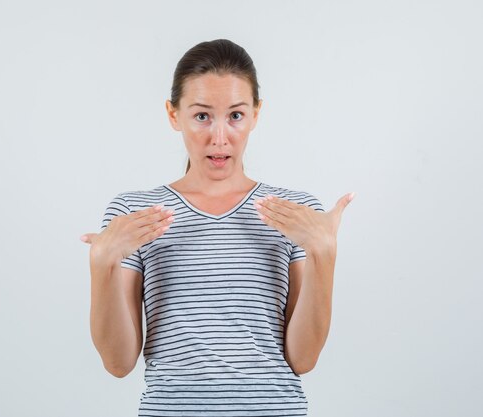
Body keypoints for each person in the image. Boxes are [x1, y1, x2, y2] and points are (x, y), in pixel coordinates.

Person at [80, 38, 354, 416]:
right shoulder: (134, 213)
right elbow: (118, 362)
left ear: (256, 114)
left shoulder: (297, 214)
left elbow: (303, 359)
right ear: (173, 114)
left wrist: (325, 254)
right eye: (202, 116)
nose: (220, 137)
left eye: (236, 115)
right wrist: (102, 263)